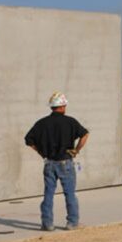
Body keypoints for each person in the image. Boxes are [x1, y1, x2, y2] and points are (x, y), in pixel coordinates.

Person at [25, 91, 89, 232]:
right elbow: (85, 134)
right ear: (62, 106)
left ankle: (47, 223)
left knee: (48, 194)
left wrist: (41, 152)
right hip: (66, 162)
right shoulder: (70, 121)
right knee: (69, 193)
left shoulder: (41, 123)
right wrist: (76, 150)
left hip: (49, 162)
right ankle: (72, 223)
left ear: (51, 107)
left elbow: (28, 140)